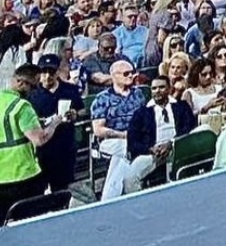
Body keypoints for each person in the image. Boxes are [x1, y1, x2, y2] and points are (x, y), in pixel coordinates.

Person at [0, 64, 68, 222]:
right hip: (23, 174)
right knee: (29, 220)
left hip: (1, 177)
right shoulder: (21, 106)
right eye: (33, 86)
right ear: (21, 83)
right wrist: (55, 123)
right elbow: (39, 139)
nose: (35, 91)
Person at [124, 75, 195, 191]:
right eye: (154, 88)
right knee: (130, 177)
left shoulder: (182, 107)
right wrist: (150, 149)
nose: (157, 91)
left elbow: (189, 128)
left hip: (178, 148)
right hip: (153, 153)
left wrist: (171, 143)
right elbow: (132, 142)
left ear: (169, 89)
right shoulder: (141, 113)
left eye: (161, 87)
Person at [90, 60, 147, 201]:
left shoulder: (138, 94)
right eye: (126, 74)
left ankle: (109, 198)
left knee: (120, 157)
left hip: (136, 138)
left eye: (132, 73)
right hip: (110, 140)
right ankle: (130, 192)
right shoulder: (102, 99)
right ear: (114, 76)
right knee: (125, 148)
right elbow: (98, 130)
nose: (131, 76)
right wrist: (123, 135)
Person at [27, 53, 84, 192]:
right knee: (39, 188)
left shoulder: (69, 90)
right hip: (42, 148)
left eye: (51, 71)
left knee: (63, 187)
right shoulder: (32, 94)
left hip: (64, 145)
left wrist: (75, 114)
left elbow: (82, 109)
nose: (47, 76)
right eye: (44, 72)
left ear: (57, 71)